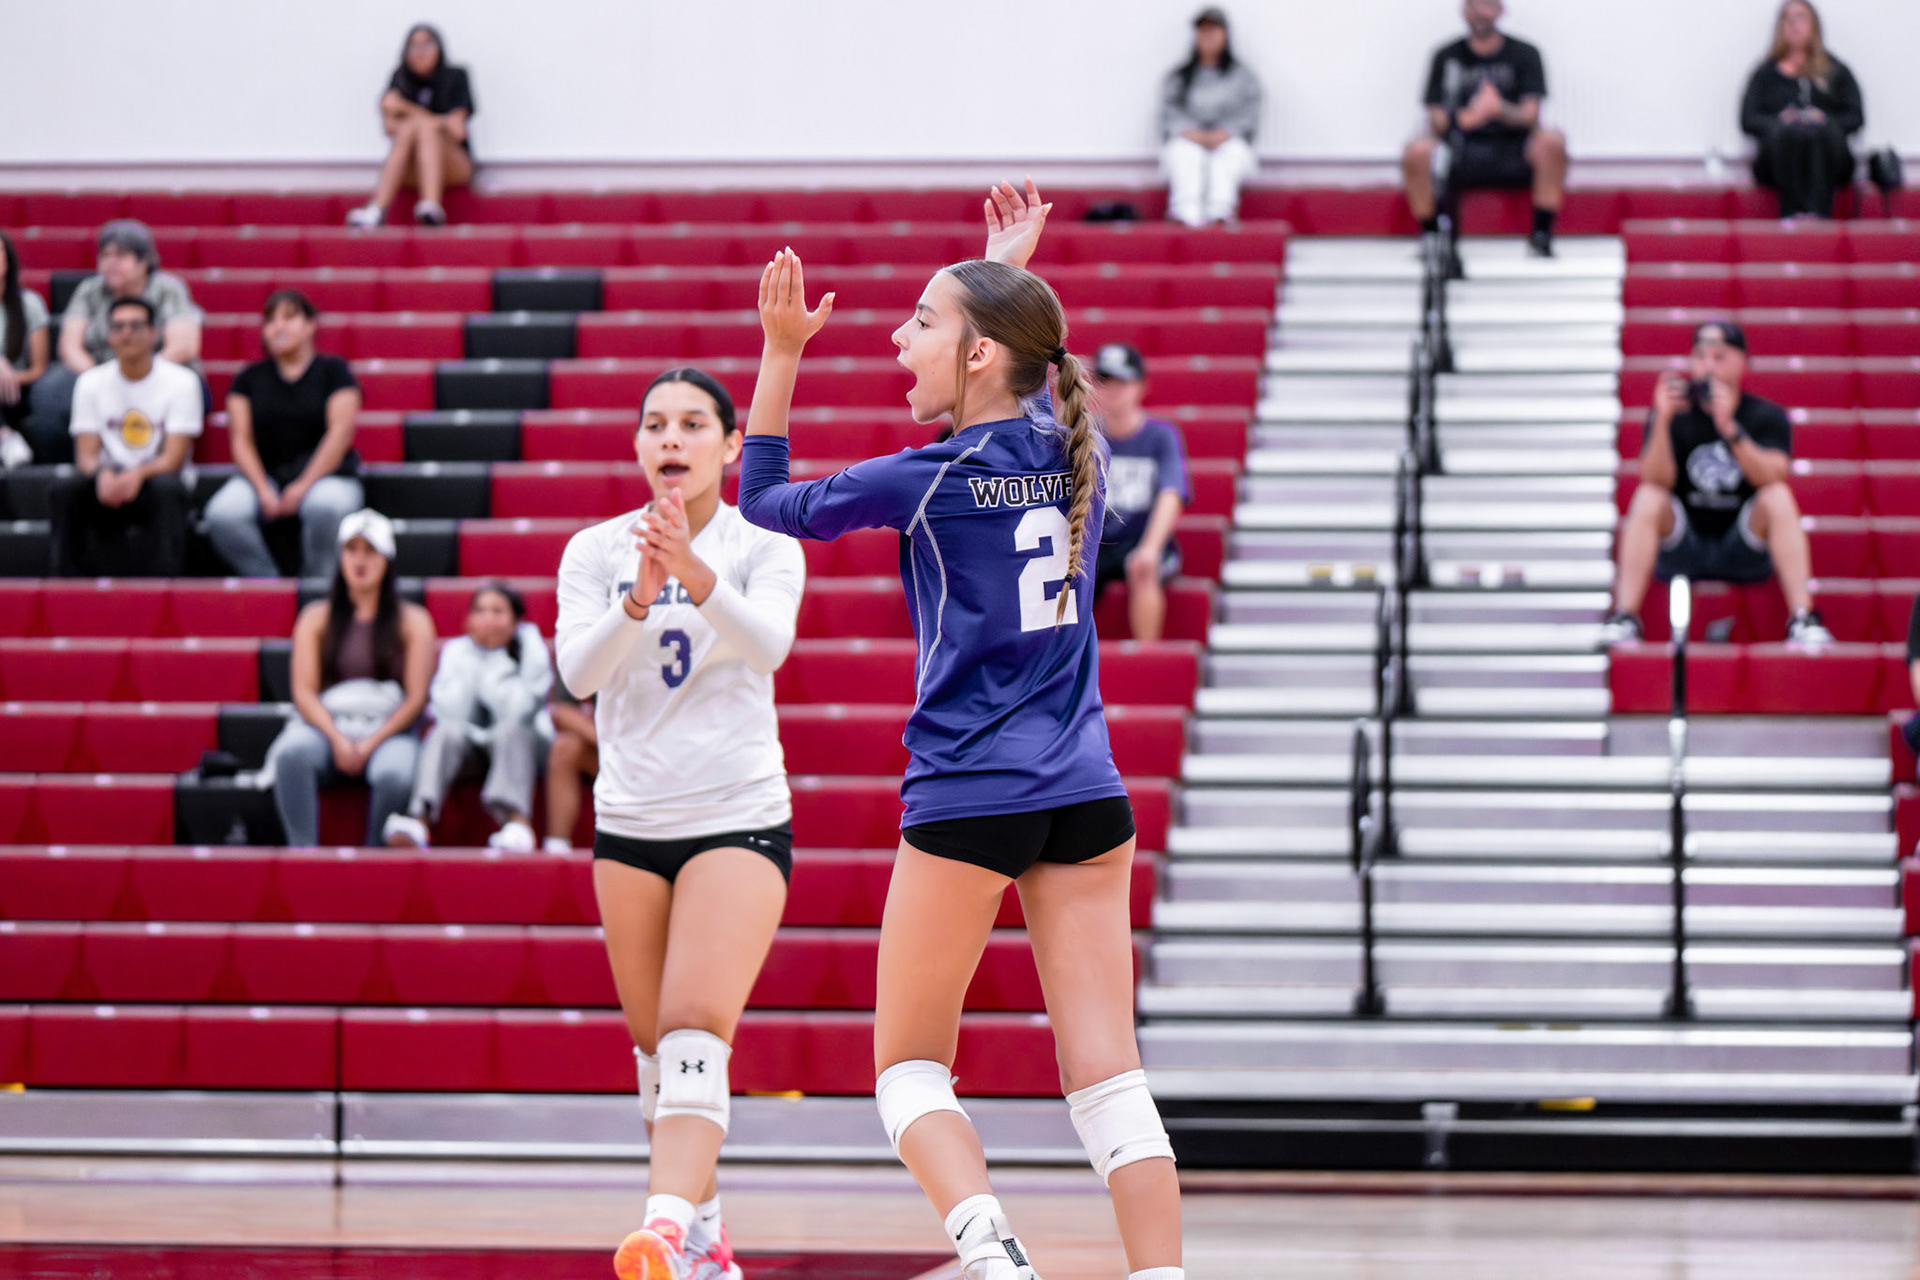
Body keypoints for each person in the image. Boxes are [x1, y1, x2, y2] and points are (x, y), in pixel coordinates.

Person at [738, 181, 1184, 1280]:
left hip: (969, 791)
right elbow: (1032, 369)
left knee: (907, 1071)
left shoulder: (926, 477)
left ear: (981, 352)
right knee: (1112, 1082)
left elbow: (763, 500)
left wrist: (782, 351)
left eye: (921, 321)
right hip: (1088, 789)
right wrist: (1004, 275)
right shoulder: (1081, 451)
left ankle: (989, 1249)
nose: (900, 337)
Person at [554, 367, 805, 1280]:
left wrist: (693, 575)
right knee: (658, 1055)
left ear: (732, 445)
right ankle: (706, 1241)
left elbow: (769, 646)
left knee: (697, 1028)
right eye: (656, 423)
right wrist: (636, 596)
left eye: (693, 423)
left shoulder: (762, 544)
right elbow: (579, 675)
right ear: (637, 445)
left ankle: (659, 1229)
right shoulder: (595, 551)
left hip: (737, 816)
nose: (671, 438)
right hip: (629, 820)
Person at [1601, 320, 1832, 647]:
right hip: (1684, 540)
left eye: (1719, 356)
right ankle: (1624, 616)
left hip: (1744, 542)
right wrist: (1662, 420)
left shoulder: (1765, 416)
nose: (1709, 366)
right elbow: (1654, 478)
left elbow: (1773, 474)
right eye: (1700, 356)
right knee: (1649, 495)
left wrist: (1729, 429)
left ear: (1743, 361)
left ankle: (1803, 618)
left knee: (1777, 495)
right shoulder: (1674, 414)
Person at [267, 509, 436, 848]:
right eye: (352, 549)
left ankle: (374, 860)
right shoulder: (315, 618)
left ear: (387, 559)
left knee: (395, 773)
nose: (360, 560)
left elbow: (416, 697)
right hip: (328, 725)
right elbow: (304, 692)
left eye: (370, 551)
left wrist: (371, 741)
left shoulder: (413, 621)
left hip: (388, 728)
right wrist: (338, 738)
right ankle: (303, 854)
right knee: (290, 754)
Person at [204, 290, 365, 578]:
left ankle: (317, 585)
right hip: (264, 476)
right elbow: (241, 441)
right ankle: (267, 584)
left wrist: (302, 486)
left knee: (325, 507)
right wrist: (263, 490)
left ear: (311, 325)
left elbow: (340, 434)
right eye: (271, 320)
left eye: (289, 317)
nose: (279, 327)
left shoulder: (335, 372)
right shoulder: (247, 379)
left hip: (327, 475)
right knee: (222, 514)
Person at [384, 581, 552, 852]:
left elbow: (518, 712)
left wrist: (494, 660)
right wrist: (478, 656)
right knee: (443, 733)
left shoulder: (530, 647)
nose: (488, 619)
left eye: (497, 611)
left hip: (523, 744)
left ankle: (518, 824)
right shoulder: (457, 651)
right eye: (480, 610)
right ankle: (419, 820)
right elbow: (449, 713)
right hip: (471, 745)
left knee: (509, 731)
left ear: (516, 621)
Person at [24, 221, 203, 464]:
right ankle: (65, 467)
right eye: (105, 255)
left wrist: (141, 377)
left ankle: (165, 464)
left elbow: (184, 346)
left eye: (121, 255)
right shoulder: (90, 289)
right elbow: (70, 346)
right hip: (100, 372)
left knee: (188, 383)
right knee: (50, 391)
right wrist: (103, 380)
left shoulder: (168, 288)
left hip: (157, 372)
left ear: (144, 262)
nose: (111, 262)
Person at [48, 298, 200, 577]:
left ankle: (164, 586)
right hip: (108, 478)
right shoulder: (90, 381)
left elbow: (173, 458)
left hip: (155, 478)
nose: (126, 333)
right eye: (118, 327)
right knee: (64, 489)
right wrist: (102, 474)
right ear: (108, 335)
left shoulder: (182, 381)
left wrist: (137, 474)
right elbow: (85, 456)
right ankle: (66, 585)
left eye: (135, 326)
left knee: (168, 490)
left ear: (153, 333)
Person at [1402, 0, 1567, 257]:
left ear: (1500, 10)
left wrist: (1499, 109)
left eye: (1487, 5)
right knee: (1417, 150)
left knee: (1552, 141)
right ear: (1464, 10)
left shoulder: (1525, 53)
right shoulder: (1446, 56)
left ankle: (1541, 235)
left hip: (1513, 147)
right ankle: (1431, 236)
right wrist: (1472, 117)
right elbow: (1436, 118)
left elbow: (1530, 114)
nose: (1480, 12)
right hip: (1460, 147)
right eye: (1474, 5)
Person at [1090, 344, 1190, 643]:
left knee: (1144, 568)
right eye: (1105, 381)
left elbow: (1172, 493)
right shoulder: (1085, 434)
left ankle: (1146, 656)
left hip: (1140, 538)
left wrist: (1150, 547)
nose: (1113, 390)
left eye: (1122, 382)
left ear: (1141, 386)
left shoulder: (1160, 435)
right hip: (1097, 542)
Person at [1741, 0, 1864, 220]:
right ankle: (1793, 215)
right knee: (1790, 133)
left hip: (1829, 158)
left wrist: (1823, 119)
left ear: (1814, 25)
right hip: (1777, 160)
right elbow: (1748, 120)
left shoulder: (1836, 71)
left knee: (1818, 133)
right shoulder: (1765, 74)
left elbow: (1855, 117)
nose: (1794, 25)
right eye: (1787, 19)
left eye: (1800, 18)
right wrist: (1782, 120)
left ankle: (1817, 214)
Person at [348, 24, 476, 228]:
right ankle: (377, 210)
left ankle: (430, 204)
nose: (420, 52)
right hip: (411, 168)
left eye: (427, 45)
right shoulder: (400, 78)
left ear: (439, 48)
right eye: (414, 46)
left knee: (424, 128)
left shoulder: (455, 77)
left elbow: (458, 131)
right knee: (411, 129)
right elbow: (390, 128)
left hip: (452, 164)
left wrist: (409, 109)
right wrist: (432, 121)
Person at [1160, 8, 1262, 228]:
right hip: (1189, 139)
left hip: (1228, 139)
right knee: (1186, 154)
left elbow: (1249, 114)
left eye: (1213, 30)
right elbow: (1170, 113)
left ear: (1225, 34)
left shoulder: (1243, 77)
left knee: (1228, 156)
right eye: (1203, 31)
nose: (1208, 36)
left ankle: (1219, 216)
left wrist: (1225, 133)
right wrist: (1192, 133)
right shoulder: (1180, 77)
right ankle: (1185, 217)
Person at [0, 230, 50, 469]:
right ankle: (4, 437)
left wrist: (9, 376)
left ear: (8, 259)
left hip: (17, 393)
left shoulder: (29, 303)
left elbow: (39, 369)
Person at [540, 684, 598, 855]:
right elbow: (561, 711)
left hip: (648, 750)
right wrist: (606, 742)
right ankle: (557, 846)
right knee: (564, 747)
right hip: (607, 750)